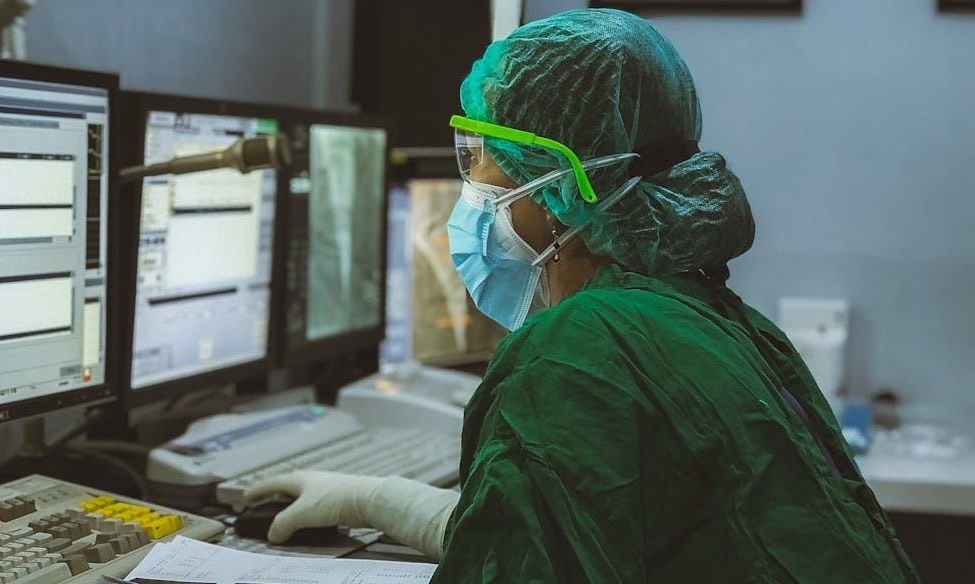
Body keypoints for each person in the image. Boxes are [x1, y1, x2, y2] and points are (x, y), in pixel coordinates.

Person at [245, 9, 919, 583]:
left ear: (562, 184)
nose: (470, 182)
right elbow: (560, 541)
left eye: (480, 155)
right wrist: (376, 498)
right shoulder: (710, 317)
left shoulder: (578, 351)